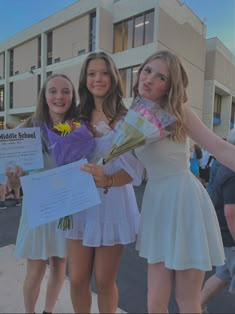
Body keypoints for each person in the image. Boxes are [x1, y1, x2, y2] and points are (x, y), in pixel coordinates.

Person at [129, 50, 235, 314]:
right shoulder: (133, 115)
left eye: (160, 76)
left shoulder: (179, 112)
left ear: (170, 86)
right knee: (155, 302)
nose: (149, 78)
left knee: (187, 301)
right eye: (147, 70)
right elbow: (129, 169)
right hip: (156, 203)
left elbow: (220, 149)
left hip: (184, 201)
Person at [65, 51, 143, 313]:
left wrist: (107, 179)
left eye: (104, 73)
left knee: (104, 280)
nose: (97, 79)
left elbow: (135, 171)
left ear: (113, 77)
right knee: (76, 279)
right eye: (91, 73)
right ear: (84, 79)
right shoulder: (73, 117)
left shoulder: (128, 119)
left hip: (113, 204)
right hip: (79, 205)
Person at [6, 74, 78, 314]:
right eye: (53, 91)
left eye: (66, 91)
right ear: (44, 96)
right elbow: (15, 179)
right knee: (35, 268)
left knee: (60, 262)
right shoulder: (27, 129)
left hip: (66, 206)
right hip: (38, 207)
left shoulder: (78, 128)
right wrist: (14, 180)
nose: (59, 96)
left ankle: (48, 311)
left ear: (73, 96)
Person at [201, 129, 235, 313]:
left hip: (223, 232)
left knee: (223, 274)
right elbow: (232, 213)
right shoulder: (233, 172)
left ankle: (196, 306)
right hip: (231, 236)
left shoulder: (224, 165)